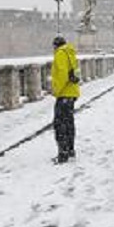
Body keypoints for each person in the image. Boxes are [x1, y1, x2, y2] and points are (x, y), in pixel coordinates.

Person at [51, 36, 80, 164]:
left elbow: (62, 74)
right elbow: (76, 73)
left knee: (59, 124)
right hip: (72, 92)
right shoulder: (71, 53)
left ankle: (63, 154)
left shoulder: (60, 54)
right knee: (69, 123)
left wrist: (57, 91)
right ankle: (70, 150)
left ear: (56, 46)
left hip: (64, 94)